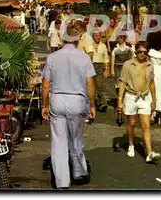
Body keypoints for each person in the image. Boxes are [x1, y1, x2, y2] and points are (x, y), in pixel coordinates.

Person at [41, 27, 97, 189]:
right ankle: (79, 172)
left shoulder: (52, 57)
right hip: (77, 101)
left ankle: (61, 182)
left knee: (59, 141)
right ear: (78, 39)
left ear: (62, 39)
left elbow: (45, 84)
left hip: (57, 99)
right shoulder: (84, 58)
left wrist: (44, 105)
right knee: (76, 138)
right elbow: (90, 83)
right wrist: (92, 104)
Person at [117, 42, 161, 163]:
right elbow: (122, 83)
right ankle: (131, 144)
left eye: (145, 52)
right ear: (136, 52)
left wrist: (154, 100)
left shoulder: (150, 65)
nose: (143, 54)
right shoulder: (127, 65)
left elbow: (152, 83)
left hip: (145, 97)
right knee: (131, 123)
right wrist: (120, 101)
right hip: (131, 96)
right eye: (140, 52)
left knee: (146, 125)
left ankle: (149, 152)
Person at [147, 31, 161, 124]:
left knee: (153, 91)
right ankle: (158, 112)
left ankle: (152, 113)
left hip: (153, 70)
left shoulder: (150, 51)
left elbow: (147, 62)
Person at [92, 31, 112, 111]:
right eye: (96, 35)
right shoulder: (89, 45)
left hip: (100, 67)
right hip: (90, 65)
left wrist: (106, 70)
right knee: (90, 86)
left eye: (99, 36)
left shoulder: (103, 46)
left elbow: (106, 58)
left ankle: (102, 103)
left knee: (100, 85)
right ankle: (90, 104)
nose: (98, 37)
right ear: (93, 36)